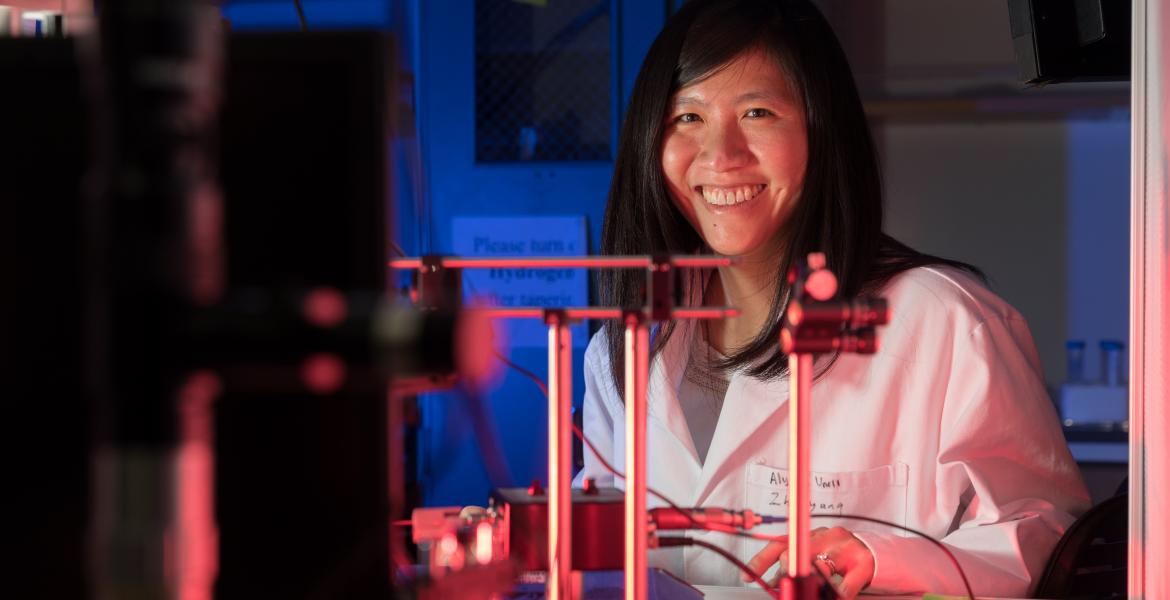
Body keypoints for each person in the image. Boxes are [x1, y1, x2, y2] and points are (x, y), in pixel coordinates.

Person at [572, 0, 1090, 597]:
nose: (720, 155)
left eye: (758, 111)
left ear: (823, 130)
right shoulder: (628, 345)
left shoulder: (943, 323)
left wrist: (881, 556)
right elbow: (604, 546)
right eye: (687, 117)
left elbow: (1048, 539)